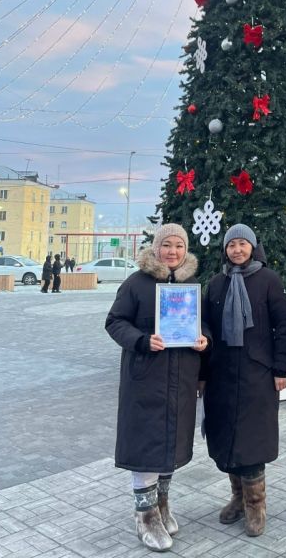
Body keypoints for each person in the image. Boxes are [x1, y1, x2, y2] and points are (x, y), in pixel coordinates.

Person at [105, 223, 209, 553]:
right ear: (156, 248)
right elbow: (115, 322)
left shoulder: (190, 285)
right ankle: (146, 516)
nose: (173, 252)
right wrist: (142, 340)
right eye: (167, 246)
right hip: (146, 377)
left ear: (186, 250)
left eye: (179, 246)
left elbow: (203, 323)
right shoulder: (136, 283)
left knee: (171, 443)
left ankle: (163, 504)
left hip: (181, 378)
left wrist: (205, 338)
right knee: (146, 443)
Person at [202, 224, 286, 537]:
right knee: (226, 438)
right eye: (231, 245)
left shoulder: (268, 280)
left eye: (243, 244)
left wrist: (282, 369)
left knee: (253, 439)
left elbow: (283, 326)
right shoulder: (216, 284)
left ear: (253, 247)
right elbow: (206, 331)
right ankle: (238, 497)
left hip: (259, 373)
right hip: (222, 375)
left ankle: (257, 506)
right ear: (225, 250)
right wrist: (202, 375)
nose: (237, 250)